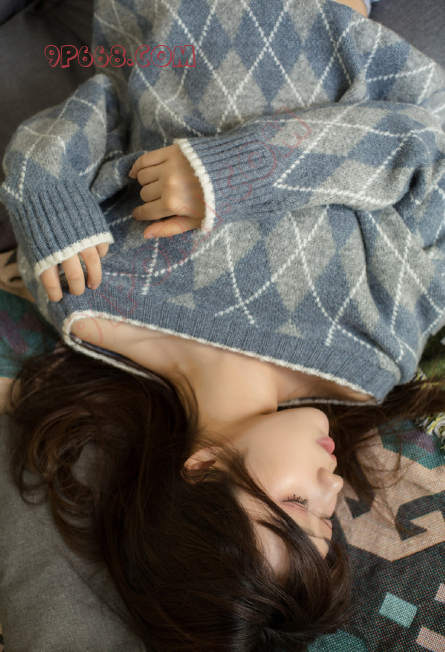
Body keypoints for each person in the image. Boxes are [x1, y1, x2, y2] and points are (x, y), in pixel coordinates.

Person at [2, 0, 445, 649]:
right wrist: (241, 172)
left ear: (203, 467)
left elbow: (99, 106)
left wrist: (46, 200)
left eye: (298, 505)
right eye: (328, 520)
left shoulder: (90, 306)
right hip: (327, 24)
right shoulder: (375, 355)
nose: (333, 490)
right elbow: (426, 157)